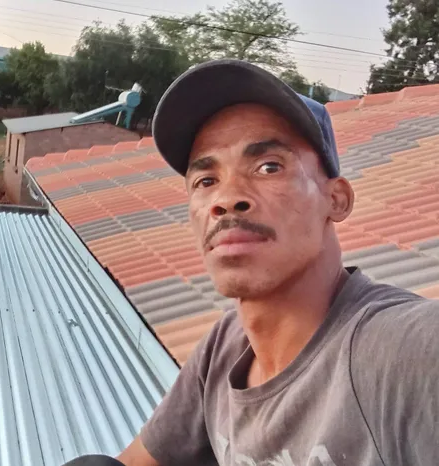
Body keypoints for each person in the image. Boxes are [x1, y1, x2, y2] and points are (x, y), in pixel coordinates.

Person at [64, 60, 439, 466]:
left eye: (268, 167)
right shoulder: (225, 346)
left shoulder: (404, 352)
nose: (226, 199)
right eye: (206, 181)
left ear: (336, 199)